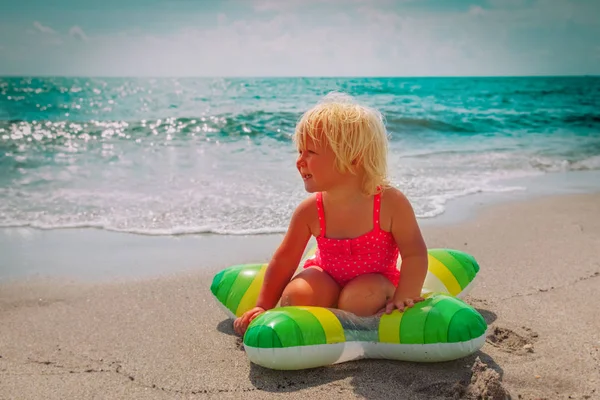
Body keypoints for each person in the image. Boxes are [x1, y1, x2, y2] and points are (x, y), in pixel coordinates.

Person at [233, 92, 428, 336]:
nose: (299, 161)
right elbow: (284, 261)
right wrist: (263, 306)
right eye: (299, 151)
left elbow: (414, 253)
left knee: (360, 299)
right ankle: (332, 313)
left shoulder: (389, 203)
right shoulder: (310, 211)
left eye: (310, 152)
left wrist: (406, 295)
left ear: (353, 159)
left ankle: (347, 315)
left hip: (375, 280)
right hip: (327, 275)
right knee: (295, 296)